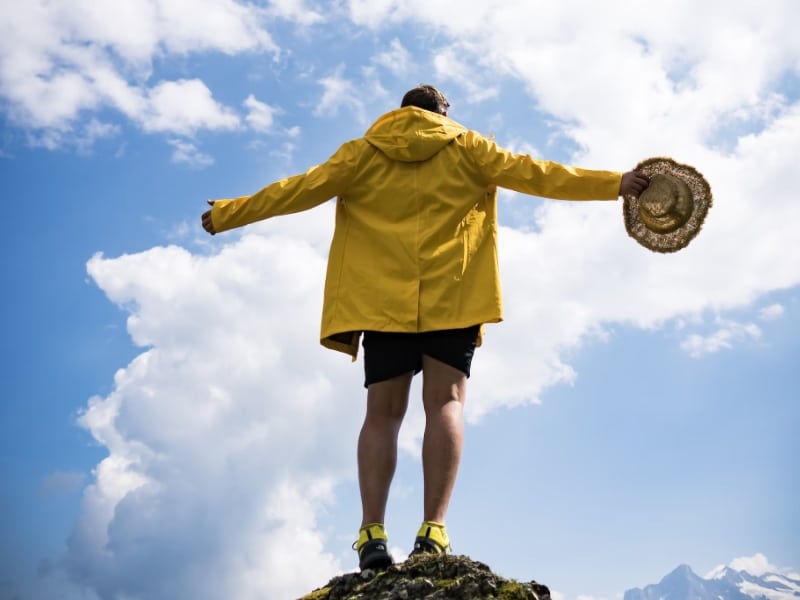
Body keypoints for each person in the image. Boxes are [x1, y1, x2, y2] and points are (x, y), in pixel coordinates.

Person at [201, 84, 649, 571]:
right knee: (446, 403)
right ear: (442, 112)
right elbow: (538, 174)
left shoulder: (361, 153)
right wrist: (615, 183)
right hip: (453, 295)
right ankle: (432, 531)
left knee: (382, 415)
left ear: (399, 113)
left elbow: (298, 189)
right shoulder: (469, 147)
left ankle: (371, 534)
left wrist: (229, 213)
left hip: (381, 303)